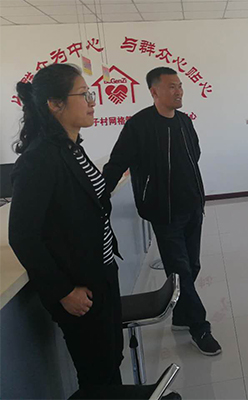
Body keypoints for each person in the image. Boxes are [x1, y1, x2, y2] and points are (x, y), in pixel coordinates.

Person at [9, 64, 124, 390]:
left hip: (101, 273)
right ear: (55, 104)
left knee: (110, 360)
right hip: (79, 287)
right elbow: (23, 235)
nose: (92, 102)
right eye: (84, 94)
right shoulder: (39, 159)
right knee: (96, 373)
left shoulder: (71, 148)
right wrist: (62, 291)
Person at [102, 67, 221, 356]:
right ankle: (200, 327)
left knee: (192, 266)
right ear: (154, 91)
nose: (178, 91)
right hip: (164, 212)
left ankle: (181, 316)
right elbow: (117, 163)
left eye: (180, 86)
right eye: (171, 86)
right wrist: (98, 195)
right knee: (180, 268)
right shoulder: (139, 125)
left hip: (193, 206)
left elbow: (195, 154)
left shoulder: (184, 121)